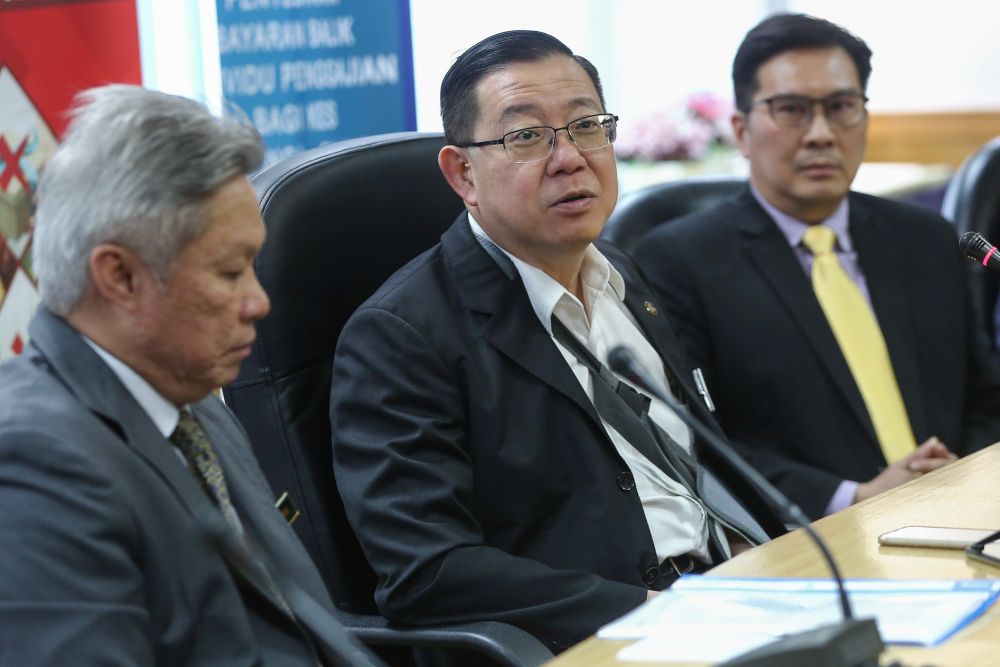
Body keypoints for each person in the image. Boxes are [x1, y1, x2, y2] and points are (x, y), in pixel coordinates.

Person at [329, 30, 785, 653]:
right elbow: (427, 572)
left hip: (731, 598)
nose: (570, 157)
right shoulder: (399, 336)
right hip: (599, 639)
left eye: (586, 126)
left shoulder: (624, 273)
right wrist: (651, 611)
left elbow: (694, 464)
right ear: (462, 172)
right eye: (526, 137)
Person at [0, 85, 376, 666]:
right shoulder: (30, 459)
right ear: (120, 276)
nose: (258, 302)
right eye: (229, 272)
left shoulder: (189, 400)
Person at [634, 14, 1000, 520]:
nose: (821, 134)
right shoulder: (678, 261)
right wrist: (855, 496)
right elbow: (698, 442)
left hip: (964, 514)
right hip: (813, 540)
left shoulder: (925, 236)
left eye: (842, 107)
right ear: (740, 130)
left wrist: (959, 476)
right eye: (791, 110)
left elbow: (986, 397)